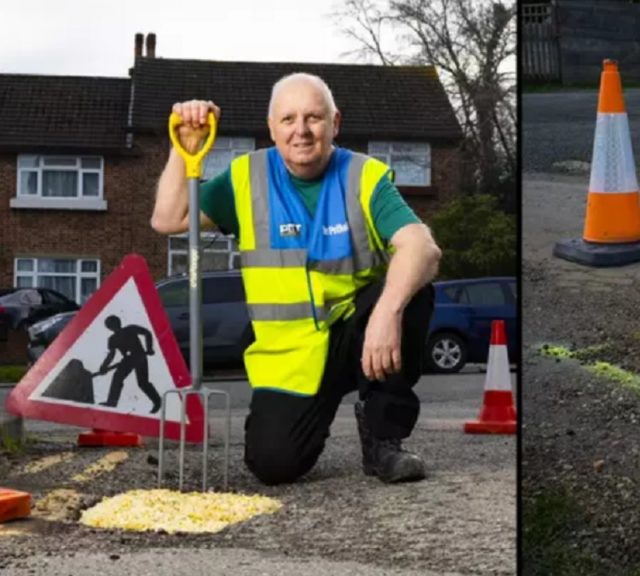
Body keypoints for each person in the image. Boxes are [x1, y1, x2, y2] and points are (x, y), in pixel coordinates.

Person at [150, 72, 442, 485]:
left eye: (314, 118)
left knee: (411, 292)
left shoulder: (364, 176)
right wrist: (186, 149)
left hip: (357, 338)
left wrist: (387, 312)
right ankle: (301, 426)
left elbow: (422, 248)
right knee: (274, 465)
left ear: (335, 123)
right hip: (289, 360)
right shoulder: (245, 178)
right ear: (271, 128)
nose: (301, 131)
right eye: (288, 119)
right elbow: (168, 219)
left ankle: (382, 438)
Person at [95, 315, 160, 413]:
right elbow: (111, 355)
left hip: (139, 356)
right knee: (118, 377)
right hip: (128, 360)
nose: (112, 326)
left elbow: (147, 333)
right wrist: (104, 366)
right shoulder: (112, 339)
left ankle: (157, 402)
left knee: (142, 382)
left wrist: (149, 348)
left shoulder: (130, 329)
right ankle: (112, 401)